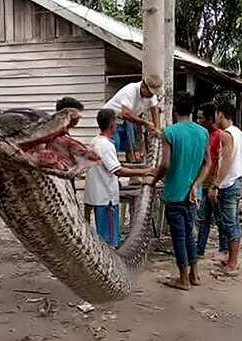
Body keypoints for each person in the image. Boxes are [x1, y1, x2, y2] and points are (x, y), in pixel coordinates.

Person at [148, 92, 211, 290]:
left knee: (179, 236)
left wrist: (154, 179)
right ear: (192, 110)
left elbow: (165, 164)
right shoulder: (203, 132)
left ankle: (183, 278)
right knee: (189, 234)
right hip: (193, 194)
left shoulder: (170, 132)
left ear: (175, 110)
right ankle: (195, 274)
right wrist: (197, 184)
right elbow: (208, 163)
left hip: (175, 192)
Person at [84, 109, 155, 248]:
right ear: (111, 125)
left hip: (97, 195)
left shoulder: (95, 141)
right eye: (116, 123)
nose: (117, 126)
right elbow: (118, 171)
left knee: (103, 235)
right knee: (109, 240)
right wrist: (144, 172)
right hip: (106, 197)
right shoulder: (106, 145)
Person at [193, 102, 242, 277]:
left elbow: (226, 162)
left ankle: (233, 263)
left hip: (229, 184)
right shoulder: (239, 133)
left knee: (230, 223)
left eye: (216, 114)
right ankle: (230, 258)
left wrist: (215, 185)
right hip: (236, 181)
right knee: (230, 222)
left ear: (221, 115)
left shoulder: (226, 135)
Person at [195, 103, 228, 262]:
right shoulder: (203, 134)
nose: (198, 120)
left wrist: (215, 184)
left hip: (214, 183)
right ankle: (199, 249)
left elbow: (219, 162)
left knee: (219, 217)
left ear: (209, 119)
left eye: (201, 118)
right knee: (203, 218)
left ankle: (223, 248)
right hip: (203, 181)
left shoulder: (219, 136)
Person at [103, 76, 162, 162]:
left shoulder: (150, 95)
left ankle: (132, 170)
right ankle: (113, 170)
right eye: (150, 93)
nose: (151, 95)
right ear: (143, 87)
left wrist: (156, 127)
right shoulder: (131, 90)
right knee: (114, 145)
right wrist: (146, 123)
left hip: (127, 120)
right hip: (111, 119)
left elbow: (154, 108)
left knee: (130, 147)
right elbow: (126, 113)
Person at [55, 97, 85, 194]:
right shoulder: (56, 135)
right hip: (60, 185)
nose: (80, 116)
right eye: (77, 113)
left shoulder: (63, 132)